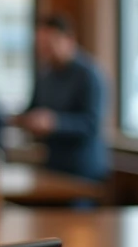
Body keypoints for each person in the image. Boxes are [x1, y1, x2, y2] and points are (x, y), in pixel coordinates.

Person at [14, 14, 109, 180]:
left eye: (50, 44)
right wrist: (23, 119)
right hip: (52, 164)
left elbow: (92, 124)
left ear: (69, 39)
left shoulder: (89, 75)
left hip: (82, 170)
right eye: (42, 46)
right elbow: (34, 107)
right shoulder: (45, 74)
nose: (45, 51)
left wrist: (55, 123)